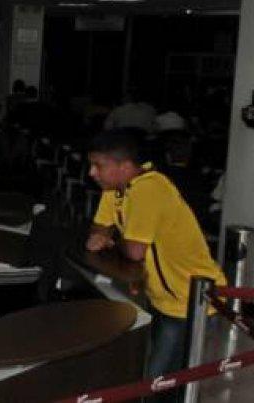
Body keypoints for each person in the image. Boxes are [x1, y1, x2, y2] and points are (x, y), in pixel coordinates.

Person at [85, 129, 225, 400]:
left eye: (98, 166)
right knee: (162, 379)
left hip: (190, 300)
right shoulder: (116, 189)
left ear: (125, 166)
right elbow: (98, 230)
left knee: (154, 383)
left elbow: (134, 251)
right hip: (162, 296)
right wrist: (106, 236)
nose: (92, 173)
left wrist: (110, 240)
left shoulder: (149, 189)